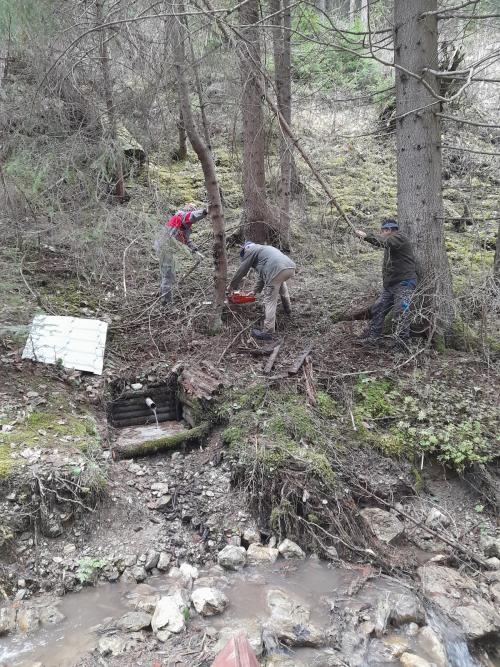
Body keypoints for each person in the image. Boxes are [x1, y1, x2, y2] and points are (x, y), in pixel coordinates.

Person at [355, 219, 417, 347]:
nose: (381, 233)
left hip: (404, 283)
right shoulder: (391, 244)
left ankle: (402, 344)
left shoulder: (399, 238)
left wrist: (366, 236)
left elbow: (384, 241)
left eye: (382, 231)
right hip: (390, 286)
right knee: (378, 307)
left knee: (402, 311)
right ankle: (374, 338)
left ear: (389, 230)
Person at [229, 242, 296, 341]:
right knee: (280, 283)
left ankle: (268, 332)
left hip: (276, 269)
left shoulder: (251, 250)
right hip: (290, 267)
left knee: (269, 300)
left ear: (246, 249)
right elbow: (263, 276)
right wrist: (255, 291)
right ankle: (288, 310)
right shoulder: (263, 251)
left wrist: (231, 286)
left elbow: (242, 270)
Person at [156, 202, 209, 304]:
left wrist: (193, 248)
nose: (192, 211)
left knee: (167, 274)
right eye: (192, 209)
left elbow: (185, 240)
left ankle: (163, 294)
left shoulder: (184, 224)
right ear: (188, 209)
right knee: (168, 275)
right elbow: (191, 216)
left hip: (167, 248)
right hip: (165, 247)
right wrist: (205, 212)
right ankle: (166, 304)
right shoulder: (181, 215)